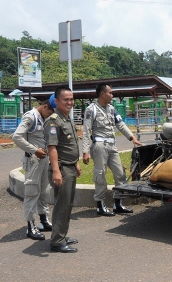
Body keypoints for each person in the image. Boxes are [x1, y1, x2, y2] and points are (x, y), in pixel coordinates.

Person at [82, 83, 143, 217]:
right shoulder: (91, 109)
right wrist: (85, 151)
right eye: (110, 92)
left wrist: (132, 137)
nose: (112, 95)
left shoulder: (111, 108)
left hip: (112, 145)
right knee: (100, 175)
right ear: (102, 94)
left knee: (120, 173)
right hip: (99, 146)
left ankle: (118, 203)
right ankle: (100, 205)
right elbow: (86, 131)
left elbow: (120, 124)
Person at [12, 97, 55, 240]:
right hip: (33, 160)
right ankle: (30, 226)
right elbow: (17, 137)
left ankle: (43, 220)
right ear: (44, 106)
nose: (50, 115)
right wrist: (34, 150)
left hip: (43, 160)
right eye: (50, 112)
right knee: (32, 192)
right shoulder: (31, 117)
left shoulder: (43, 118)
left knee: (44, 191)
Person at [44, 86, 81, 253]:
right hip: (62, 169)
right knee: (62, 205)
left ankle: (61, 235)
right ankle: (57, 241)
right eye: (65, 99)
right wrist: (56, 171)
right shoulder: (53, 121)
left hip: (70, 166)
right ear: (56, 101)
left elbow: (70, 146)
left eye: (71, 99)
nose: (70, 102)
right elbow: (52, 148)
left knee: (68, 204)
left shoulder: (66, 119)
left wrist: (76, 163)